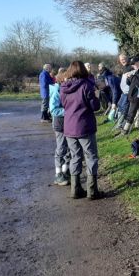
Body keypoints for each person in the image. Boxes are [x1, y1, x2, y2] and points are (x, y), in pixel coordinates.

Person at [60, 61, 102, 199]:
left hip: (69, 126)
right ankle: (92, 190)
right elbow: (95, 106)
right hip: (84, 126)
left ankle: (75, 189)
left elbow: (63, 105)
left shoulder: (64, 87)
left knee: (75, 157)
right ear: (83, 70)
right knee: (91, 156)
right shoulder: (86, 86)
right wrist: (97, 95)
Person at [116, 55, 139, 136]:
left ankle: (125, 131)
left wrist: (131, 76)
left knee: (131, 114)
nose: (132, 65)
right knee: (129, 113)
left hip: (137, 96)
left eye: (133, 64)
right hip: (132, 95)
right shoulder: (137, 71)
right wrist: (129, 77)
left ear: (138, 63)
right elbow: (130, 83)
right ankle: (123, 129)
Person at [49, 67, 70, 186]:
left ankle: (65, 171)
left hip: (69, 123)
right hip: (60, 124)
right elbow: (54, 110)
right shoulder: (57, 91)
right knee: (61, 148)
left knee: (69, 148)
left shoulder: (65, 89)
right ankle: (58, 174)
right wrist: (68, 111)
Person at [113, 54, 133, 130]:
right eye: (121, 60)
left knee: (124, 109)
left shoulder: (131, 67)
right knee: (120, 106)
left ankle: (120, 125)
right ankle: (118, 124)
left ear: (127, 58)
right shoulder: (124, 67)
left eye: (124, 59)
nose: (123, 61)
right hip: (124, 92)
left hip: (128, 93)